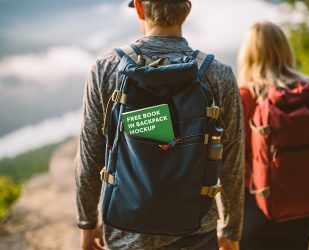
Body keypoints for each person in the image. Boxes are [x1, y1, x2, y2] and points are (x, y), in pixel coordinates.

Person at [75, 0, 244, 249]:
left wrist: (87, 224)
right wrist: (231, 230)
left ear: (140, 8)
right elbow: (232, 163)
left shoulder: (107, 68)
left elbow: (89, 158)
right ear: (186, 10)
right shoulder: (218, 74)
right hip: (196, 232)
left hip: (125, 232)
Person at [237, 21, 309, 250]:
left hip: (257, 209)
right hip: (306, 208)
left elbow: (235, 162)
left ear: (249, 54)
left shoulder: (245, 95)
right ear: (285, 49)